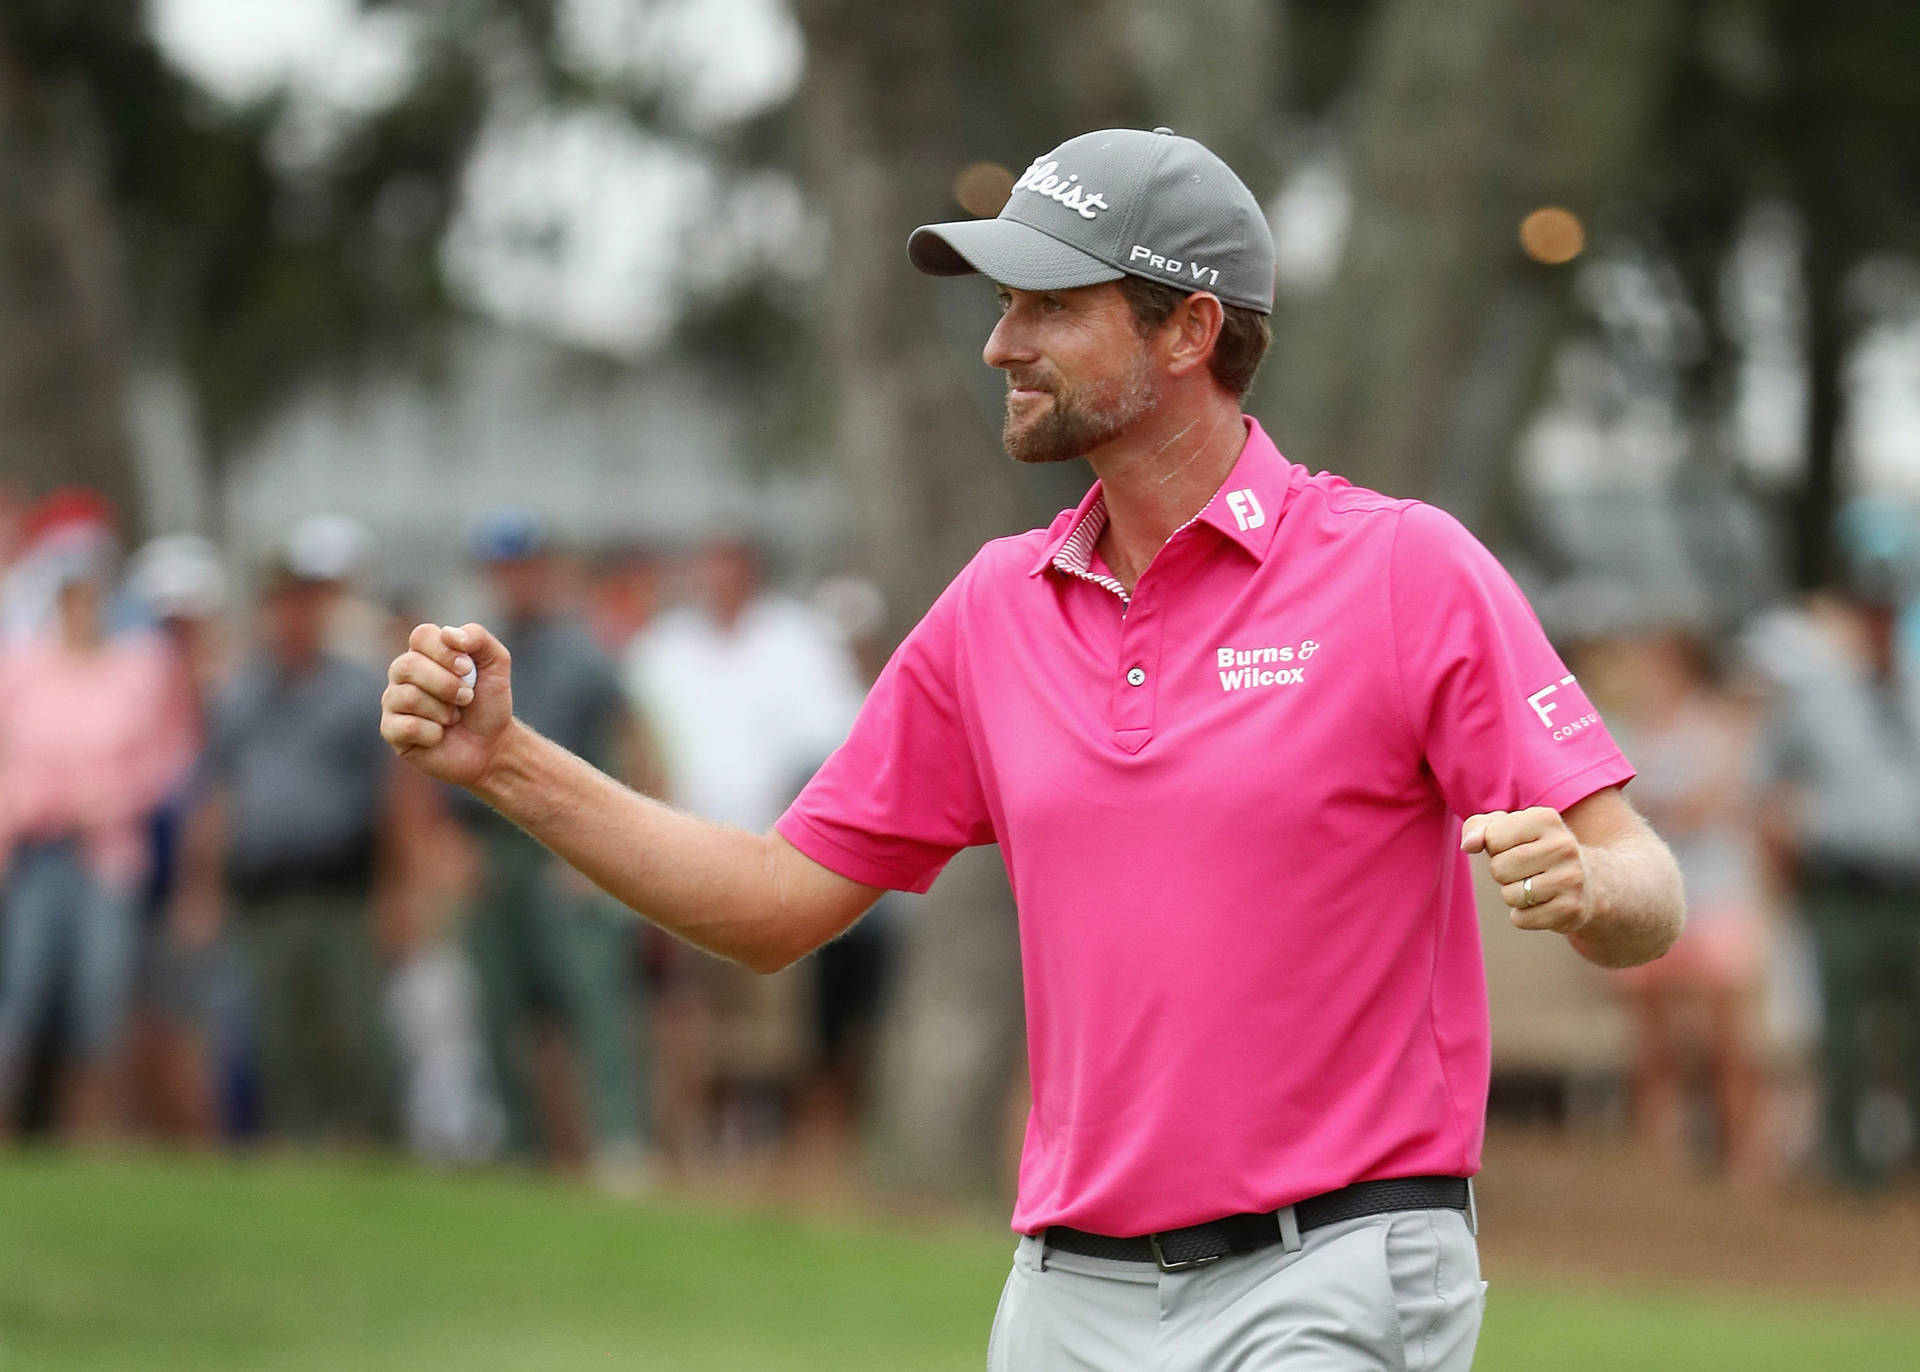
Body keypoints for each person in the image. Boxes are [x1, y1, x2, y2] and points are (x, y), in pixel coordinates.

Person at [381, 127, 1685, 1369]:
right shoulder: (993, 608)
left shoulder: (1403, 570)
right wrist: (506, 762)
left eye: (1050, 306)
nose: (1003, 342)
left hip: (1335, 1262)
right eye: (1005, 306)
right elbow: (772, 907)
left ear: (1190, 329)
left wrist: (1585, 889)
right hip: (1067, 1290)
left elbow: (1645, 885)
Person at [625, 535, 868, 1161]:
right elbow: (640, 750)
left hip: (777, 855)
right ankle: (692, 1149)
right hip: (678, 853)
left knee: (772, 1023)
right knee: (688, 1010)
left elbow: (834, 742)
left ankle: (767, 1149)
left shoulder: (797, 642)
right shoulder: (663, 649)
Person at [182, 530, 425, 1145]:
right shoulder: (239, 696)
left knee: (357, 1035)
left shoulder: (354, 690)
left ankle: (380, 1152)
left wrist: (399, 895)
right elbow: (218, 800)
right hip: (265, 891)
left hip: (339, 888)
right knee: (279, 1043)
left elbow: (392, 800)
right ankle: (300, 1160)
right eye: (280, 602)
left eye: (303, 602)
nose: (291, 615)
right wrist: (203, 889)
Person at [453, 510, 650, 1183]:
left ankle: (618, 1143)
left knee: (594, 1000)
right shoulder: (473, 650)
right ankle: (520, 1148)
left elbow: (632, 748)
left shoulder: (583, 652)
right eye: (500, 569)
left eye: (523, 566)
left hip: (571, 847)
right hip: (494, 848)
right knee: (499, 1007)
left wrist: (610, 853)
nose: (513, 582)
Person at [0, 522, 197, 1138]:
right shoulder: (22, 670)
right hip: (35, 852)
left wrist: (101, 802)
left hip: (107, 854)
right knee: (22, 994)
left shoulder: (139, 669)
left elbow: (167, 761)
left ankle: (90, 1139)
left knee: (99, 998)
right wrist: (36, 805)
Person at [1754, 552, 1920, 1189]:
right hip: (1844, 885)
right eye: (1872, 614)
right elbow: (1767, 784)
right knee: (1844, 1031)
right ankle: (1852, 1170)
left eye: (1890, 615)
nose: (1880, 626)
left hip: (1912, 888)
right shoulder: (1816, 696)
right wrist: (1785, 862)